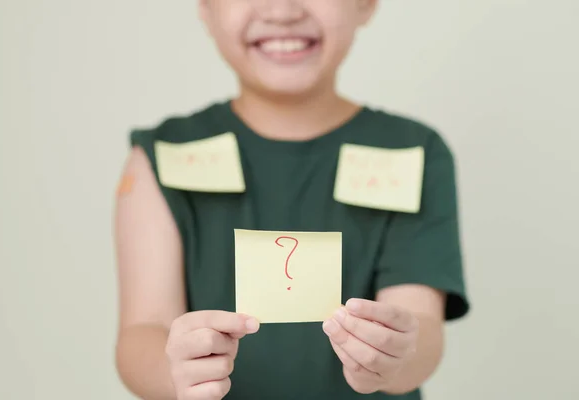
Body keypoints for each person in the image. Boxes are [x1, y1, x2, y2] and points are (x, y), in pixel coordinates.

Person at [113, 0, 470, 399]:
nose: (281, 10)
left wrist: (393, 361)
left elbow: (421, 323)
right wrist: (173, 374)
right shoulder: (161, 157)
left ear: (365, 4)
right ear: (206, 7)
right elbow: (142, 329)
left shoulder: (413, 153)